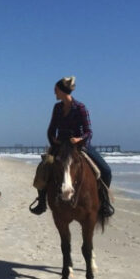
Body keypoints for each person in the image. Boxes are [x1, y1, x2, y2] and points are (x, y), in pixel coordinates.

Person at [29, 76, 114, 216]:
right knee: (42, 168)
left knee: (106, 171)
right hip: (60, 145)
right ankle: (42, 201)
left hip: (79, 146)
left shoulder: (80, 108)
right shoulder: (57, 108)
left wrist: (79, 139)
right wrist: (53, 141)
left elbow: (89, 132)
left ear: (63, 91)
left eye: (56, 90)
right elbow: (51, 130)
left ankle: (104, 202)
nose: (54, 93)